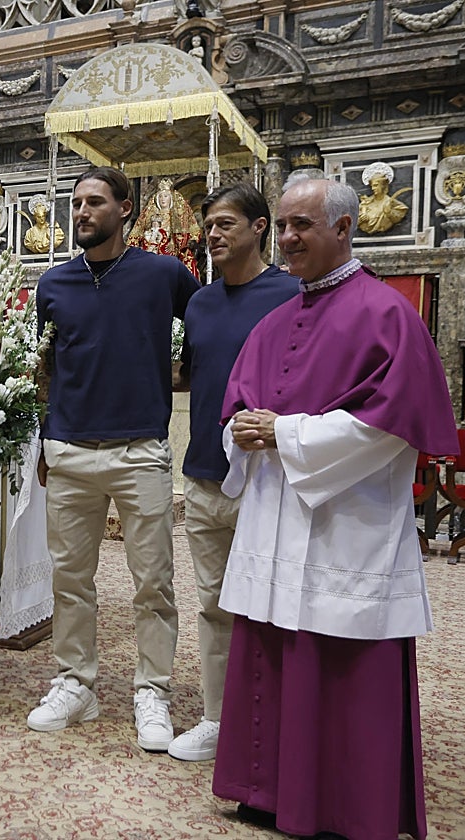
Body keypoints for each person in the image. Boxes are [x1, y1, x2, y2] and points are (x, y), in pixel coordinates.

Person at [212, 178, 459, 838]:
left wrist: (285, 434)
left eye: (301, 225)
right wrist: (238, 429)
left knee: (341, 658)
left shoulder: (386, 315)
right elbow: (238, 410)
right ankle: (268, 791)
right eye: (283, 225)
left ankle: (348, 804)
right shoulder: (272, 321)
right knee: (273, 649)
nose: (287, 238)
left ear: (344, 229)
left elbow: (393, 425)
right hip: (275, 519)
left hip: (347, 524)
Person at [29, 167, 199, 751]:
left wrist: (179, 376)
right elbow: (43, 366)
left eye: (94, 203)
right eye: (75, 203)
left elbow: (205, 329)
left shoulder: (162, 274)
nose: (80, 213)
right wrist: (43, 442)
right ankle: (77, 683)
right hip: (70, 447)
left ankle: (152, 689)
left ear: (125, 209)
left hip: (139, 450)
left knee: (153, 581)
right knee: (70, 579)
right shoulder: (53, 284)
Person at [169, 183, 298, 761]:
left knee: (273, 604)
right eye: (209, 226)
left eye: (225, 224)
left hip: (269, 479)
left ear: (260, 227)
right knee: (214, 605)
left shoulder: (292, 296)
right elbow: (197, 380)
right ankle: (218, 719)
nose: (213, 235)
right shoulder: (198, 301)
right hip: (204, 477)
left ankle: (278, 721)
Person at [357, 161, 410, 234]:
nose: (373, 188)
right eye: (371, 186)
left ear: (383, 186)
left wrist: (389, 213)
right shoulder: (365, 204)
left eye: (375, 185)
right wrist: (360, 220)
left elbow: (398, 216)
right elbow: (354, 222)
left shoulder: (392, 203)